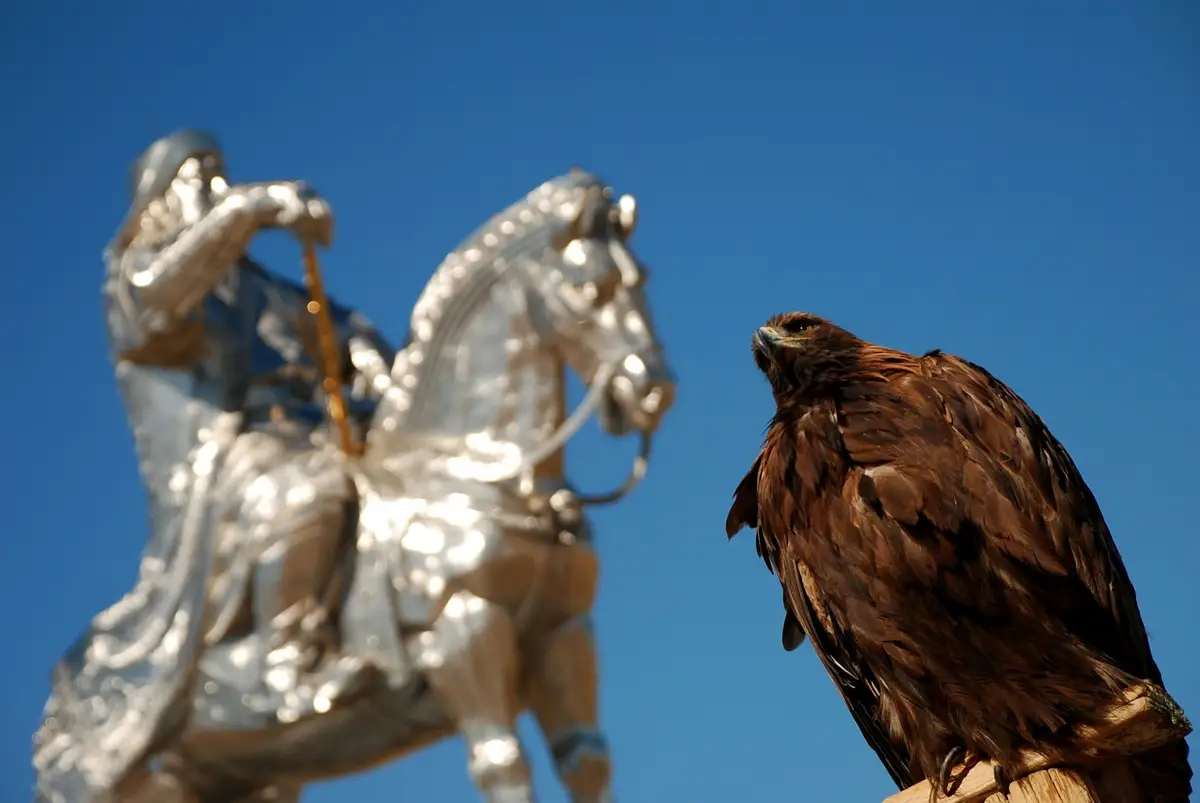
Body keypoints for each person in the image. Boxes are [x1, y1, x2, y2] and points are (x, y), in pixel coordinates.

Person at [35, 129, 396, 799]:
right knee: (307, 492)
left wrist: (370, 354)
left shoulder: (262, 286)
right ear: (160, 199)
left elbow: (338, 325)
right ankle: (287, 658)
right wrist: (254, 209)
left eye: (222, 175)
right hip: (232, 458)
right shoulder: (136, 276)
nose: (219, 188)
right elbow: (163, 298)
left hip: (315, 431)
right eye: (202, 176)